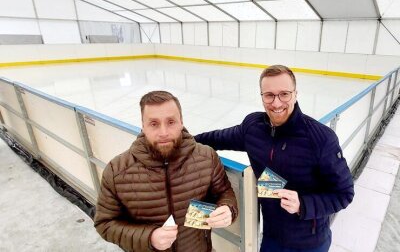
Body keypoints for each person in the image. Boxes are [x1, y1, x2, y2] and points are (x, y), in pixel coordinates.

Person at [195, 65, 354, 252]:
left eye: (284, 94)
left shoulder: (320, 139)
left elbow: (343, 194)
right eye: (269, 95)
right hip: (271, 239)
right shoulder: (253, 128)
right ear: (261, 96)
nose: (277, 103)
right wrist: (183, 141)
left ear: (295, 94)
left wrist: (303, 204)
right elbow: (217, 138)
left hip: (310, 244)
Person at [94, 91, 238, 252]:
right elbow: (104, 224)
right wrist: (149, 237)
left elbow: (224, 192)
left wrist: (228, 209)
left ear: (181, 122)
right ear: (143, 126)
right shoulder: (117, 171)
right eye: (154, 123)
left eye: (171, 122)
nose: (163, 132)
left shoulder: (206, 157)